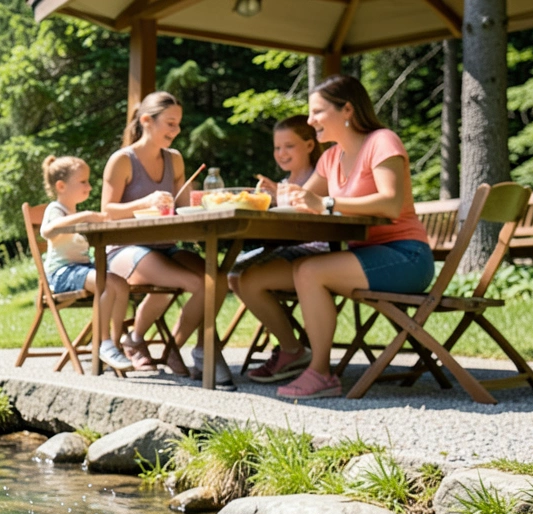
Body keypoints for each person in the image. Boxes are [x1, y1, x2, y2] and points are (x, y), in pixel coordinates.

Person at [236, 74, 433, 399]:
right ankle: (293, 353)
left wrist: (326, 202)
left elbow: (391, 202)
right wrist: (275, 197)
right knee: (250, 277)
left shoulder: (382, 141)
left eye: (317, 112)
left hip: (405, 256)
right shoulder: (330, 158)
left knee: (310, 271)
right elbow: (300, 203)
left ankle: (321, 374)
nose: (310, 120)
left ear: (347, 110)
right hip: (358, 256)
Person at [100, 91, 234, 388]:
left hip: (165, 246)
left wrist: (206, 203)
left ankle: (186, 347)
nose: (176, 131)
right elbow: (107, 212)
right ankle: (166, 348)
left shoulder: (175, 160)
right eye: (170, 124)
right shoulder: (122, 161)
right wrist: (144, 201)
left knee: (218, 280)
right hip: (125, 249)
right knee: (198, 284)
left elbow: (182, 207)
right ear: (147, 121)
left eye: (178, 125)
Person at [227, 115, 332, 377]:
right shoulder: (284, 183)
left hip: (317, 251)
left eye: (289, 146)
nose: (281, 153)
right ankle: (289, 347)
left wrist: (278, 195)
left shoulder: (321, 176)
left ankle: (291, 350)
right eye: (277, 148)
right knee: (233, 275)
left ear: (309, 145)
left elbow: (313, 214)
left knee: (248, 279)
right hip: (287, 249)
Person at [38, 154, 135, 372]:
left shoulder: (73, 212)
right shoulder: (56, 209)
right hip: (61, 273)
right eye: (83, 181)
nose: (89, 187)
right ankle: (103, 342)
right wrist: (85, 216)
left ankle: (114, 343)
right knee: (106, 283)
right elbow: (47, 231)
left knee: (120, 284)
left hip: (82, 269)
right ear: (61, 186)